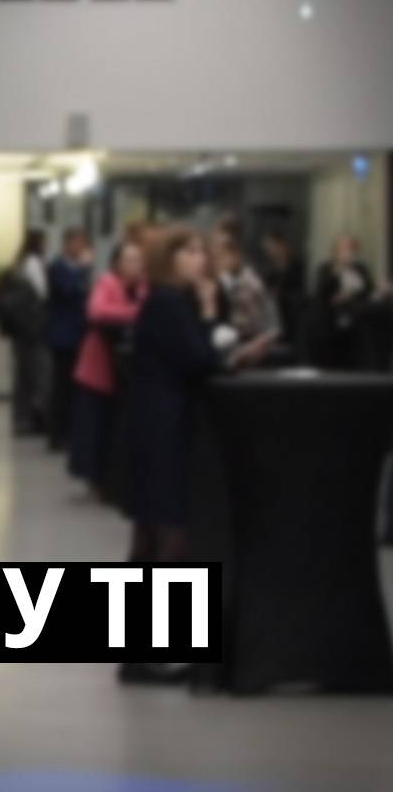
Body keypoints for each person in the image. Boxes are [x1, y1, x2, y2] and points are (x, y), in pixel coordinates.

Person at [116, 228, 270, 685]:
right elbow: (198, 359)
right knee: (169, 533)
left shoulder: (166, 301)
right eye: (190, 251)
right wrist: (208, 314)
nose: (200, 259)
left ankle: (142, 654)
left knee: (150, 535)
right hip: (164, 429)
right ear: (170, 258)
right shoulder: (169, 302)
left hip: (154, 425)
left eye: (202, 251)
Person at [69, 241, 146, 496]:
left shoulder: (144, 287)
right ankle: (96, 477)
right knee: (97, 424)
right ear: (117, 264)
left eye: (139, 260)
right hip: (99, 365)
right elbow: (98, 312)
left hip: (129, 368)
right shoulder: (107, 283)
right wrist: (134, 312)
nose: (135, 265)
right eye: (130, 260)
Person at [0, 229, 50, 437]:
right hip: (34, 328)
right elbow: (43, 293)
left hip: (19, 329)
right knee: (41, 374)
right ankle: (43, 419)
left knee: (22, 376)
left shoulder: (18, 264)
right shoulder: (34, 264)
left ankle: (21, 419)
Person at [46, 228, 94, 451]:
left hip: (79, 333)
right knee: (61, 385)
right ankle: (56, 433)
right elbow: (68, 291)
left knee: (75, 386)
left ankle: (71, 431)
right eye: (77, 243)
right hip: (63, 335)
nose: (81, 248)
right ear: (67, 244)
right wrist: (82, 270)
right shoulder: (57, 267)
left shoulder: (78, 270)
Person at [310, 234, 379, 369]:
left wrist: (351, 295)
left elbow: (369, 289)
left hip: (355, 313)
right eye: (345, 248)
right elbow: (321, 291)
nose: (348, 251)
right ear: (336, 250)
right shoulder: (326, 268)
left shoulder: (360, 268)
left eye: (352, 248)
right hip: (330, 315)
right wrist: (338, 270)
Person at [259, 229, 306, 355]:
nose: (269, 252)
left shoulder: (298, 265)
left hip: (293, 311)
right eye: (267, 249)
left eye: (271, 248)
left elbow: (299, 290)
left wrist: (280, 294)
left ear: (281, 245)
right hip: (276, 310)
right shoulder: (271, 270)